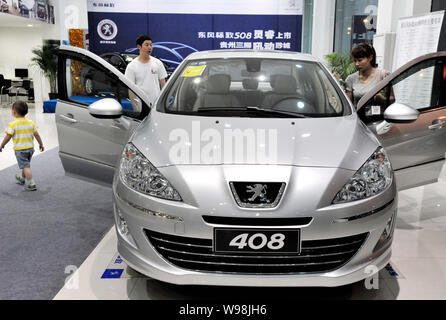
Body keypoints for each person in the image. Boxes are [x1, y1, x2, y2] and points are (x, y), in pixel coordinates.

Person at [0, 100, 44, 191]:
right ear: (27, 112)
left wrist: (2, 145)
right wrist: (41, 144)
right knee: (25, 165)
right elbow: (37, 135)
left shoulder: (12, 124)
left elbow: (8, 137)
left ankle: (32, 183)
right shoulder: (31, 123)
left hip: (20, 150)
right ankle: (22, 179)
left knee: (26, 166)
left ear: (13, 112)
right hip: (30, 149)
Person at [125, 34, 168, 108]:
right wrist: (135, 107)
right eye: (146, 45)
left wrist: (163, 104)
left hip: (156, 105)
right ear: (139, 47)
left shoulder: (158, 63)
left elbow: (163, 84)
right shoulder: (131, 66)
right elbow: (130, 89)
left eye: (151, 45)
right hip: (141, 106)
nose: (149, 47)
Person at [345, 43, 389, 108]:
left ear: (370, 58)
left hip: (378, 117)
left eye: (360, 60)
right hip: (358, 116)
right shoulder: (351, 79)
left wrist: (381, 98)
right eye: (355, 61)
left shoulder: (383, 75)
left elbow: (392, 99)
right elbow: (349, 105)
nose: (357, 64)